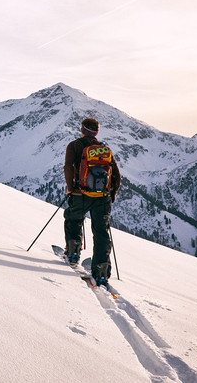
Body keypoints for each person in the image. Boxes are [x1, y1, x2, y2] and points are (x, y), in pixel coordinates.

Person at [63, 117, 121, 287]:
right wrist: (112, 194)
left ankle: (73, 252)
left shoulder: (74, 145)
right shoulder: (104, 149)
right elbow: (116, 174)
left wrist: (69, 187)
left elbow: (68, 167)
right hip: (102, 198)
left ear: (82, 129)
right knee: (101, 232)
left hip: (80, 193)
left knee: (73, 220)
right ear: (96, 132)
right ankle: (101, 270)